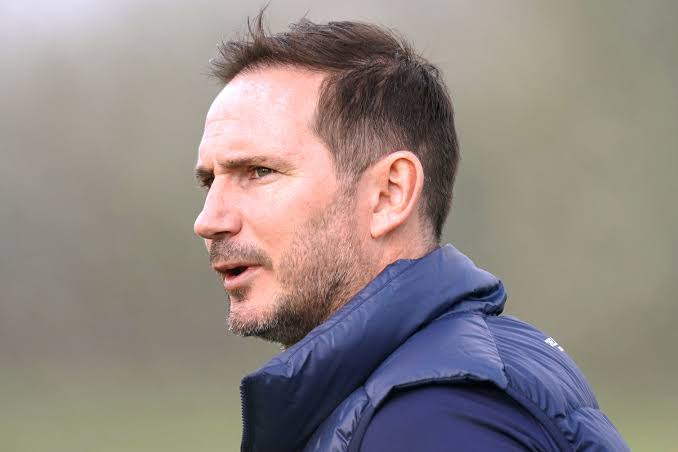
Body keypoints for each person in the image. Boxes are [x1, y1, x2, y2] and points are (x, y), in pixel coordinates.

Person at [193, 11, 629, 452]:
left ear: (389, 193)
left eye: (259, 171)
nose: (208, 220)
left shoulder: (435, 417)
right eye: (210, 181)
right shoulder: (447, 382)